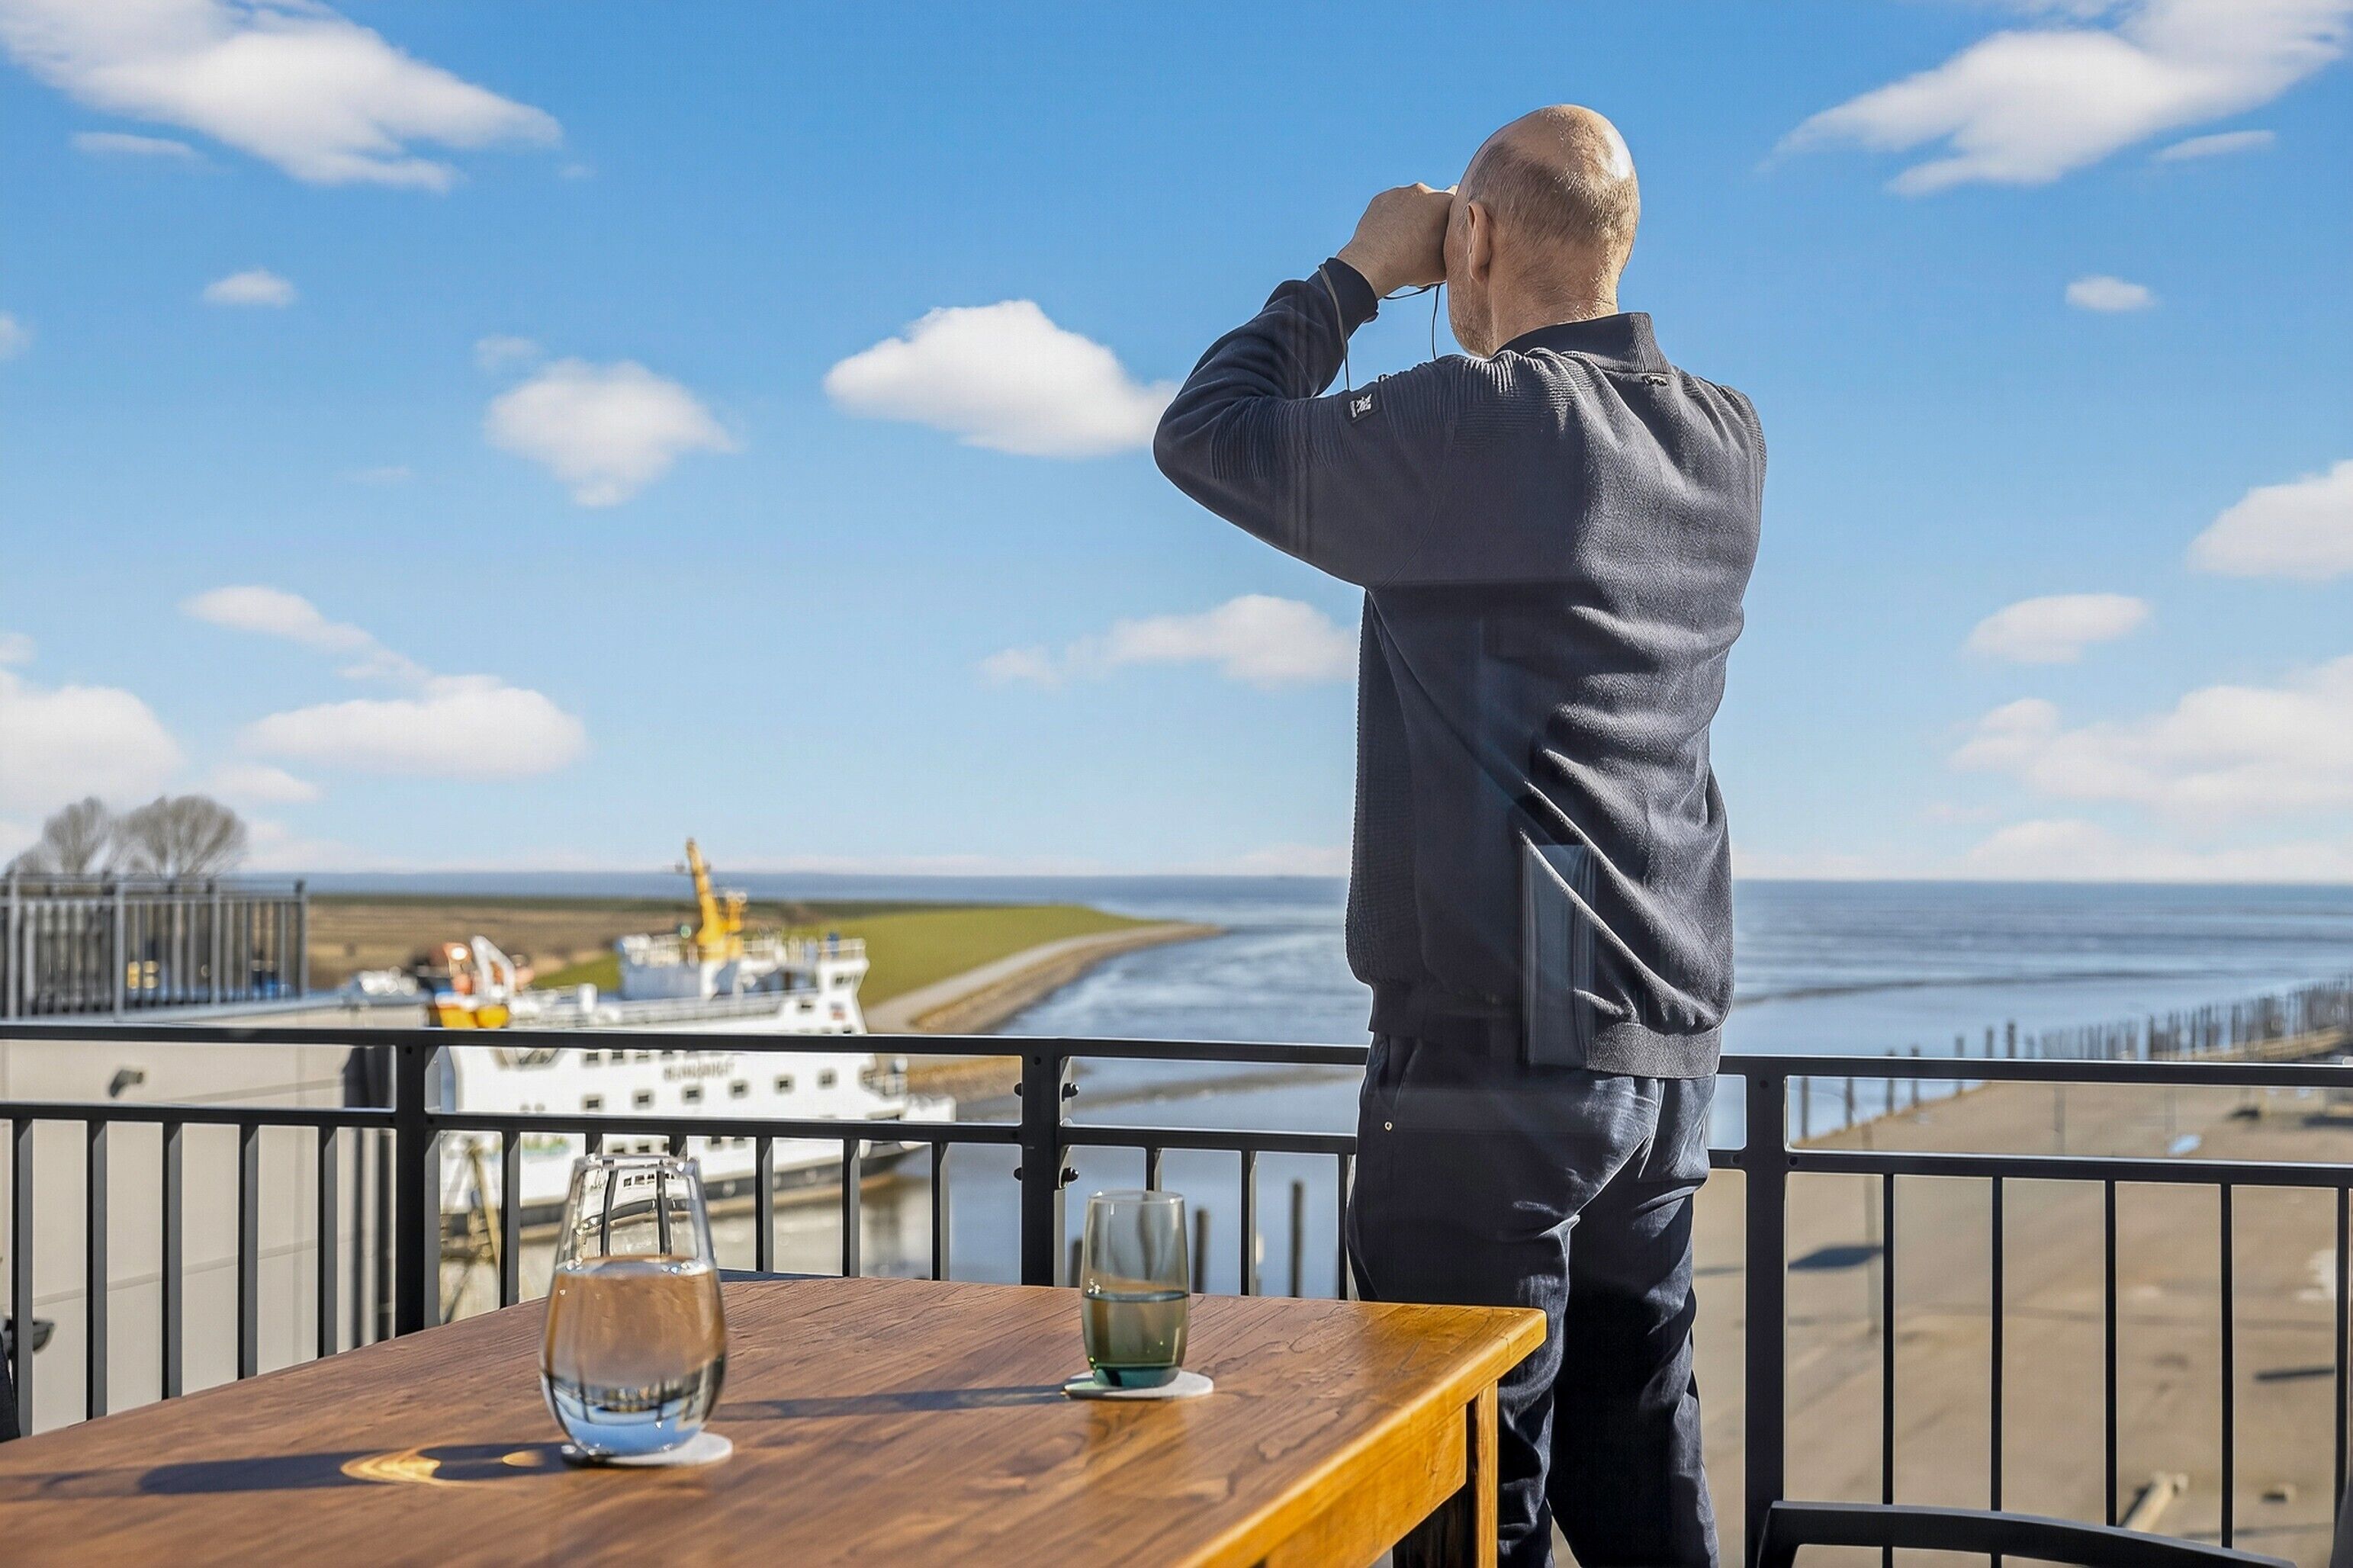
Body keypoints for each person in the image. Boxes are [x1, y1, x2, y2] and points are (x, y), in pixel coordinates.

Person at [1152, 105, 1763, 1566]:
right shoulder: (1724, 436)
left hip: (1489, 1063)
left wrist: (1356, 274)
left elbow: (1208, 435)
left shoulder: (1496, 424)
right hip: (1663, 1053)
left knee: (1455, 1491)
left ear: (1472, 239)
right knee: (1634, 1461)